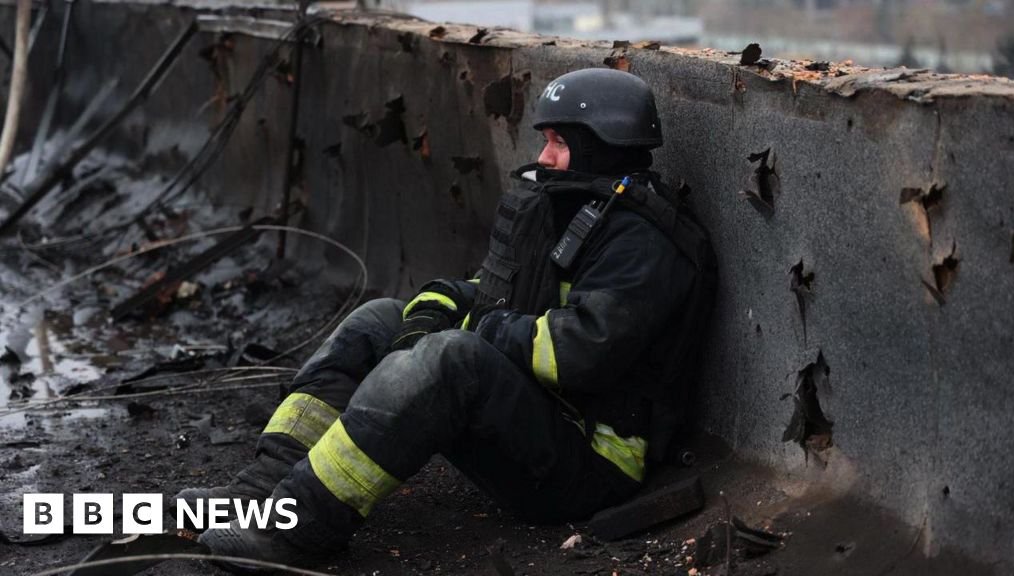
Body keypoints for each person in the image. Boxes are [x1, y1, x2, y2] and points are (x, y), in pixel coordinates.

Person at [183, 68, 717, 571]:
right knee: (379, 320)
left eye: (558, 142)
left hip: (589, 466)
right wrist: (434, 305)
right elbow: (503, 295)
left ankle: (301, 529)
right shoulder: (578, 210)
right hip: (546, 419)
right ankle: (259, 492)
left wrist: (473, 328)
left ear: (602, 144)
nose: (543, 156)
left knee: (452, 357)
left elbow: (578, 351)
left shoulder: (643, 242)